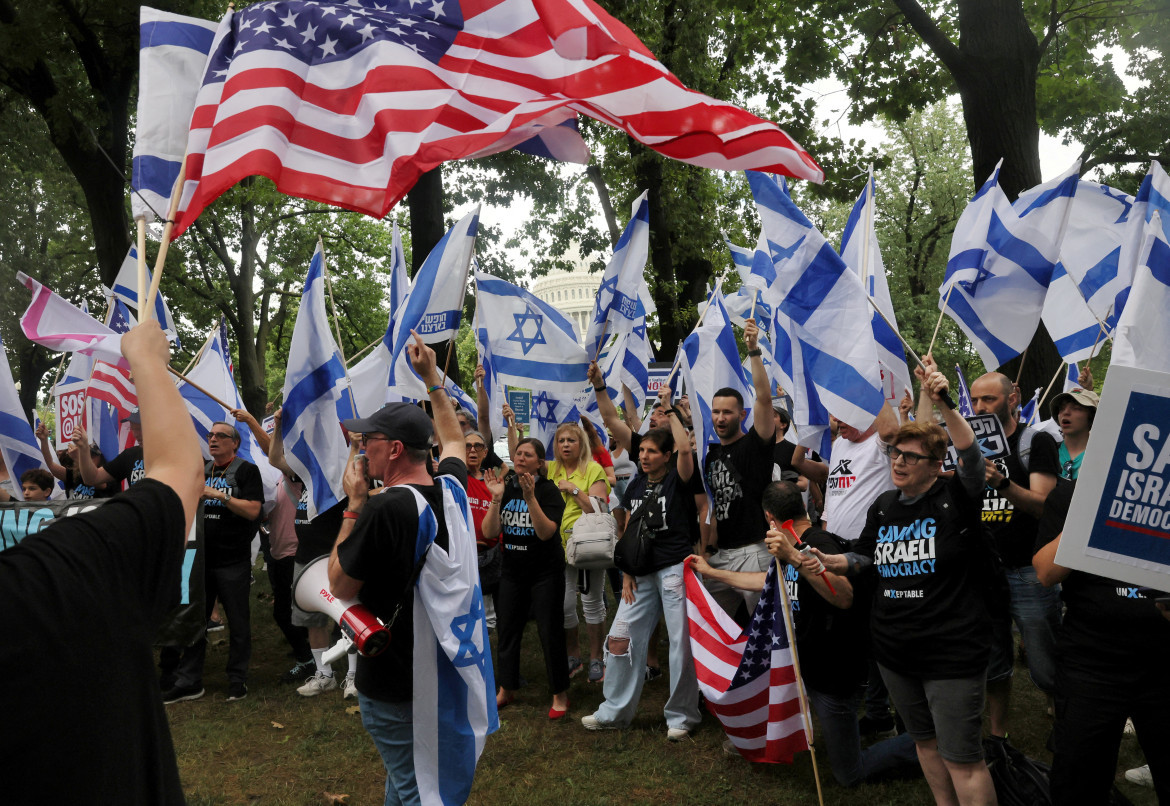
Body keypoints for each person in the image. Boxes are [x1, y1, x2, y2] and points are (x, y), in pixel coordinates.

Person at [0, 321, 204, 804]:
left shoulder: (55, 574)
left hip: (144, 536)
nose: (135, 427)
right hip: (134, 538)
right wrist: (147, 364)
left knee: (191, 609)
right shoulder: (56, 580)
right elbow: (99, 476)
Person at [818, 358, 997, 806]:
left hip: (951, 650)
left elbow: (972, 459)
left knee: (963, 758)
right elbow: (865, 556)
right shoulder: (884, 506)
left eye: (910, 457)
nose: (898, 461)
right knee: (925, 743)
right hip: (895, 650)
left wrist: (944, 405)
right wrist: (834, 561)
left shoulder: (956, 495)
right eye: (895, 453)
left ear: (936, 466)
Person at [690, 480, 921, 787]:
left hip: (834, 676)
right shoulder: (791, 545)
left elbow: (844, 595)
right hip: (810, 671)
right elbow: (769, 581)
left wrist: (798, 557)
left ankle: (927, 743)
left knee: (849, 774)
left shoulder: (816, 543)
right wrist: (711, 572)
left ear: (769, 517)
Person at [327, 332, 472, 804]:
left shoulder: (383, 508)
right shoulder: (451, 488)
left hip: (393, 678)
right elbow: (450, 436)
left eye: (367, 440)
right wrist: (432, 377)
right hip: (442, 671)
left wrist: (352, 505)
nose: (360, 447)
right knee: (408, 777)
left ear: (392, 450)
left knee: (414, 789)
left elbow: (338, 582)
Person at [1033, 478, 1170, 804]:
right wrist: (1095, 507)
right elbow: (1044, 572)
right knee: (1080, 780)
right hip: (1092, 663)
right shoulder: (1073, 493)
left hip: (1164, 661)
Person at [581, 385, 701, 740]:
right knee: (620, 638)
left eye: (652, 451)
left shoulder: (680, 478)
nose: (645, 456)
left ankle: (681, 716)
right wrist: (628, 571)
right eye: (642, 450)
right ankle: (613, 712)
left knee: (680, 643)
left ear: (667, 455)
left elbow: (683, 447)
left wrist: (671, 411)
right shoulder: (636, 485)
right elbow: (629, 528)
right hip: (641, 573)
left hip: (676, 568)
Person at [970, 370, 1061, 739]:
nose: (979, 408)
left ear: (1013, 398)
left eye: (988, 399)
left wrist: (1003, 484)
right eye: (975, 400)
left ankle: (1062, 716)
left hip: (1028, 570)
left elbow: (1043, 506)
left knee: (1044, 664)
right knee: (993, 660)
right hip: (984, 573)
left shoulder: (1033, 441)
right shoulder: (968, 444)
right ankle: (998, 734)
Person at [163, 421, 264, 704]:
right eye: (210, 435)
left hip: (232, 560)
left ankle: (237, 680)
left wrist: (220, 495)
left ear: (235, 443)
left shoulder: (246, 470)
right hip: (199, 560)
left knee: (238, 622)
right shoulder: (202, 470)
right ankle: (189, 680)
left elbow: (254, 510)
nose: (213, 439)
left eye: (221, 435)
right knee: (195, 621)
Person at [266, 408, 355, 695]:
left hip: (338, 555)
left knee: (348, 614)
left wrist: (353, 445)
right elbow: (275, 459)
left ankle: (353, 676)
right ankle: (324, 674)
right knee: (312, 618)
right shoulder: (306, 472)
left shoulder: (345, 473)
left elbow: (356, 491)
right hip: (306, 558)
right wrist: (278, 425)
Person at [482, 435, 570, 719]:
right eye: (518, 454)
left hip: (545, 573)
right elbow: (489, 532)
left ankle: (559, 693)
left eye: (527, 455)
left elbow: (546, 533)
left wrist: (530, 498)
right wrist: (495, 499)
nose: (520, 458)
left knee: (550, 631)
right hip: (512, 573)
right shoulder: (505, 488)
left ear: (540, 463)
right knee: (507, 631)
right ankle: (507, 688)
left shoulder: (548, 491)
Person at [701, 318, 777, 619]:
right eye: (716, 412)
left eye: (727, 412)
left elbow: (765, 398)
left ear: (741, 415)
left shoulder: (756, 444)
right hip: (721, 556)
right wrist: (708, 549)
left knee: (765, 631)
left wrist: (754, 351)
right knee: (711, 626)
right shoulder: (711, 455)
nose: (720, 418)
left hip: (754, 553)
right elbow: (712, 506)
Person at [548, 420, 611, 682]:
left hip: (587, 545)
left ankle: (597, 658)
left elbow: (597, 509)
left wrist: (573, 489)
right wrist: (511, 429)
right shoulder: (550, 468)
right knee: (564, 606)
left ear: (580, 444)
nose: (565, 445)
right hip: (557, 546)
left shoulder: (594, 469)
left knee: (592, 602)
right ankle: (574, 655)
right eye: (561, 440)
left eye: (570, 440)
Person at [35, 422, 112, 499]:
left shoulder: (108, 475)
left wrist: (78, 458)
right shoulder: (76, 475)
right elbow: (51, 464)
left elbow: (94, 479)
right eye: (85, 454)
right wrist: (44, 440)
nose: (87, 457)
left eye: (91, 455)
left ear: (101, 457)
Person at [76, 409, 146, 490]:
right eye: (132, 429)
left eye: (139, 428)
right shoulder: (130, 455)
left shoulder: (164, 454)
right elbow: (92, 478)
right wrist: (83, 448)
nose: (135, 435)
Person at [1048, 387, 1098, 481]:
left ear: (1092, 417)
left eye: (1076, 408)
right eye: (1061, 408)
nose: (1066, 412)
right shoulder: (1047, 453)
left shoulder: (1102, 458)